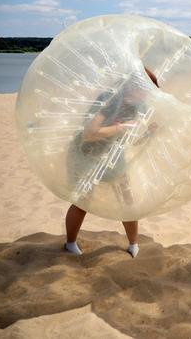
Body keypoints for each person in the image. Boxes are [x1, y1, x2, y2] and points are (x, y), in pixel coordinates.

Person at [64, 66, 160, 258]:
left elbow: (131, 140)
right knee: (84, 200)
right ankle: (70, 243)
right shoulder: (109, 99)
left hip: (112, 154)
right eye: (147, 88)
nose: (149, 93)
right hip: (86, 153)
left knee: (127, 198)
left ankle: (134, 244)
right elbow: (89, 134)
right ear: (134, 86)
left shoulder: (140, 108)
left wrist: (149, 133)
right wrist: (121, 127)